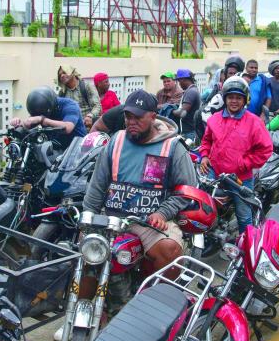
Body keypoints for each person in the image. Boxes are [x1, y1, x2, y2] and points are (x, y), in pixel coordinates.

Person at [83, 90, 196, 275]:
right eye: (128, 117)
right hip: (112, 217)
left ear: (152, 116)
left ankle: (157, 300)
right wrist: (88, 221)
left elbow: (186, 190)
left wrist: (162, 213)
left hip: (148, 222)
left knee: (170, 251)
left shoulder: (172, 146)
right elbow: (97, 185)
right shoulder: (115, 141)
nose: (131, 122)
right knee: (86, 258)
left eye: (138, 117)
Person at [198, 76, 272, 230]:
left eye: (238, 98)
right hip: (215, 173)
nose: (234, 101)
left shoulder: (254, 122)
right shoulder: (214, 119)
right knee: (203, 209)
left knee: (244, 217)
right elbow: (206, 141)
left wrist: (243, 163)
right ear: (225, 98)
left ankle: (247, 249)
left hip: (241, 179)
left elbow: (265, 150)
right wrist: (204, 156)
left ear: (245, 100)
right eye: (231, 97)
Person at [10, 87, 87, 149]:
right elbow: (30, 123)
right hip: (56, 148)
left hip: (77, 149)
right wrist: (20, 123)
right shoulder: (42, 107)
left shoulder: (70, 106)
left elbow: (68, 128)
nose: (39, 115)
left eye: (41, 114)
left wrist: (42, 119)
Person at [57, 65, 101, 129]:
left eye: (64, 72)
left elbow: (97, 106)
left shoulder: (86, 86)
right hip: (71, 130)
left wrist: (90, 116)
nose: (62, 76)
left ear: (72, 72)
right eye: (60, 75)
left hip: (87, 129)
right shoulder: (62, 93)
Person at [173, 69, 201, 141]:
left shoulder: (191, 92)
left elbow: (182, 113)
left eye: (179, 81)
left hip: (190, 133)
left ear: (183, 80)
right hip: (190, 131)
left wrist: (172, 111)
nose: (179, 84)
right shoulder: (192, 90)